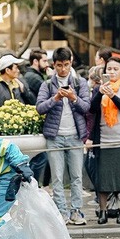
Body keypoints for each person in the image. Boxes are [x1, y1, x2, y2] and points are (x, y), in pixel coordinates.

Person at [36, 47, 91, 225]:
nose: (63, 69)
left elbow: (86, 108)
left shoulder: (79, 82)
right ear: (54, 65)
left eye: (66, 65)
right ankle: (61, 212)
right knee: (57, 178)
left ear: (71, 62)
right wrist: (56, 98)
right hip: (55, 136)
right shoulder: (47, 85)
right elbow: (40, 108)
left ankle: (76, 211)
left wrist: (74, 98)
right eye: (59, 65)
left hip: (75, 135)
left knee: (76, 176)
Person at [89, 56, 120, 224]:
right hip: (103, 140)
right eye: (109, 69)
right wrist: (100, 93)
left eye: (115, 69)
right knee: (103, 179)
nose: (112, 72)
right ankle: (103, 211)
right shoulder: (98, 88)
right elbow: (92, 109)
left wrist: (113, 96)